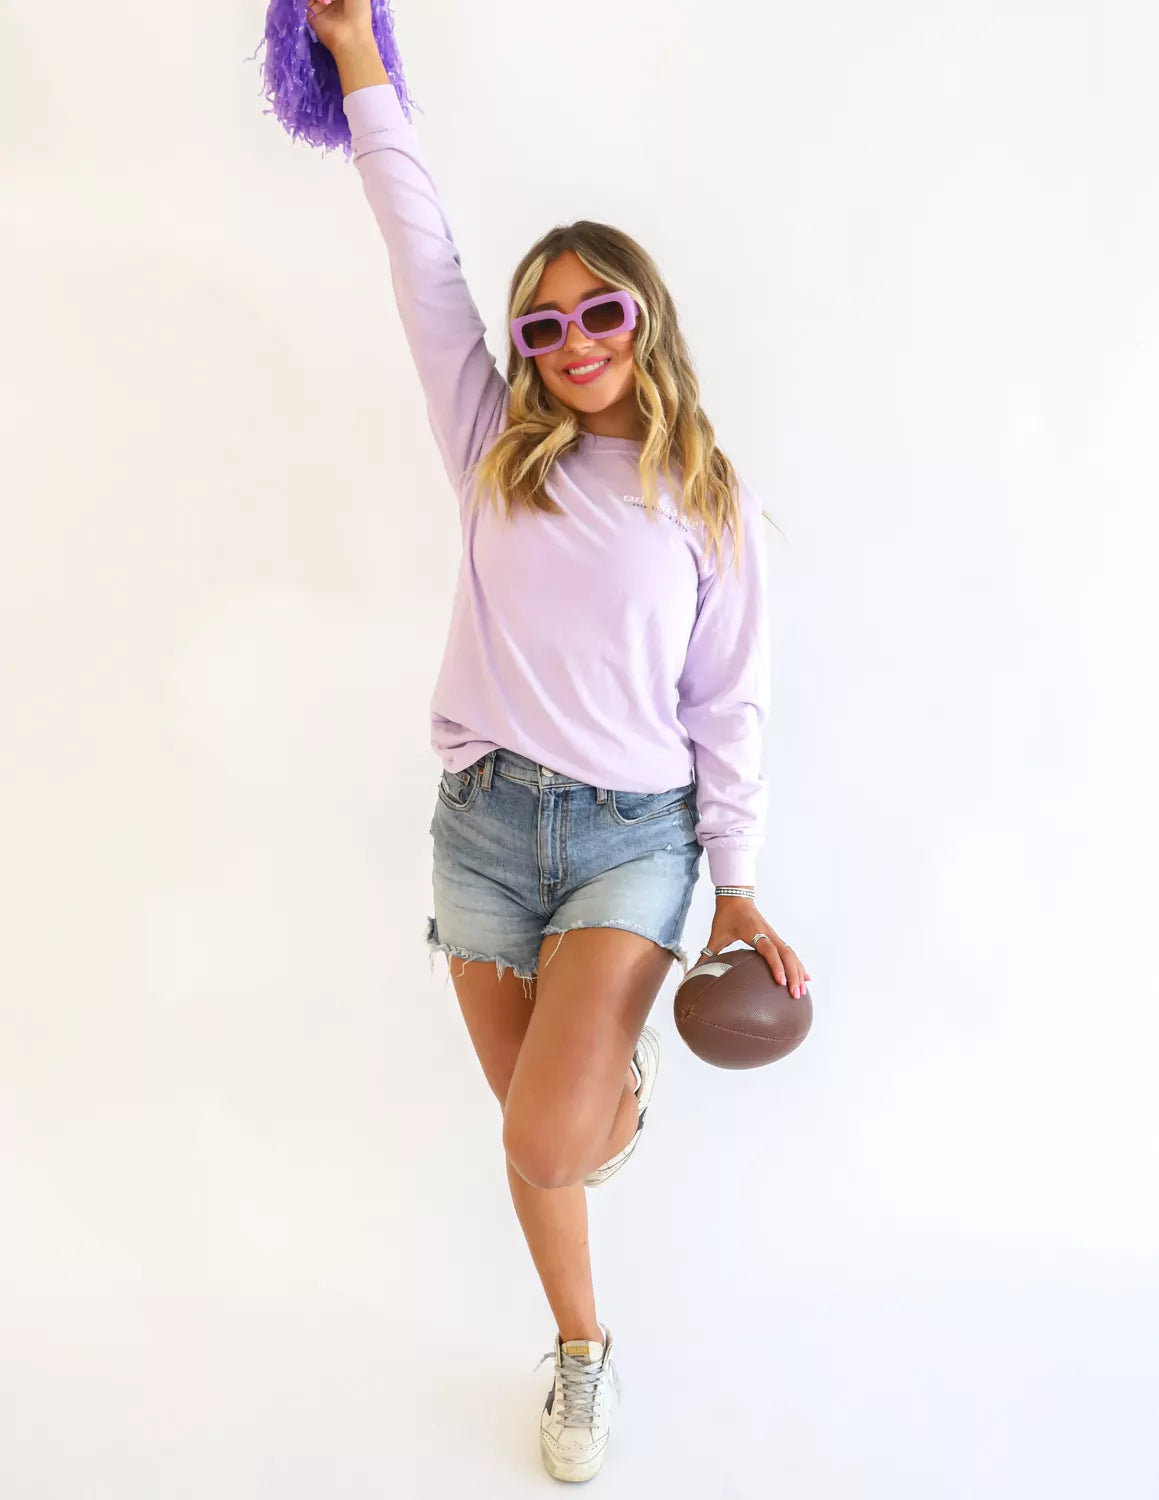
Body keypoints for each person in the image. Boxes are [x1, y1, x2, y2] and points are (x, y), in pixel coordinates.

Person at [308, 0, 811, 1482]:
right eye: (546, 321)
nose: (574, 338)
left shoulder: (706, 502)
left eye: (603, 310)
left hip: (632, 843)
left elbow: (731, 706)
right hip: (480, 827)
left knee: (542, 1141)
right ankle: (583, 1350)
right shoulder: (486, 450)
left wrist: (737, 886)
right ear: (520, 350)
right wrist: (357, 58)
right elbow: (420, 256)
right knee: (560, 1146)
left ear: (644, 320)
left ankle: (612, 1091)